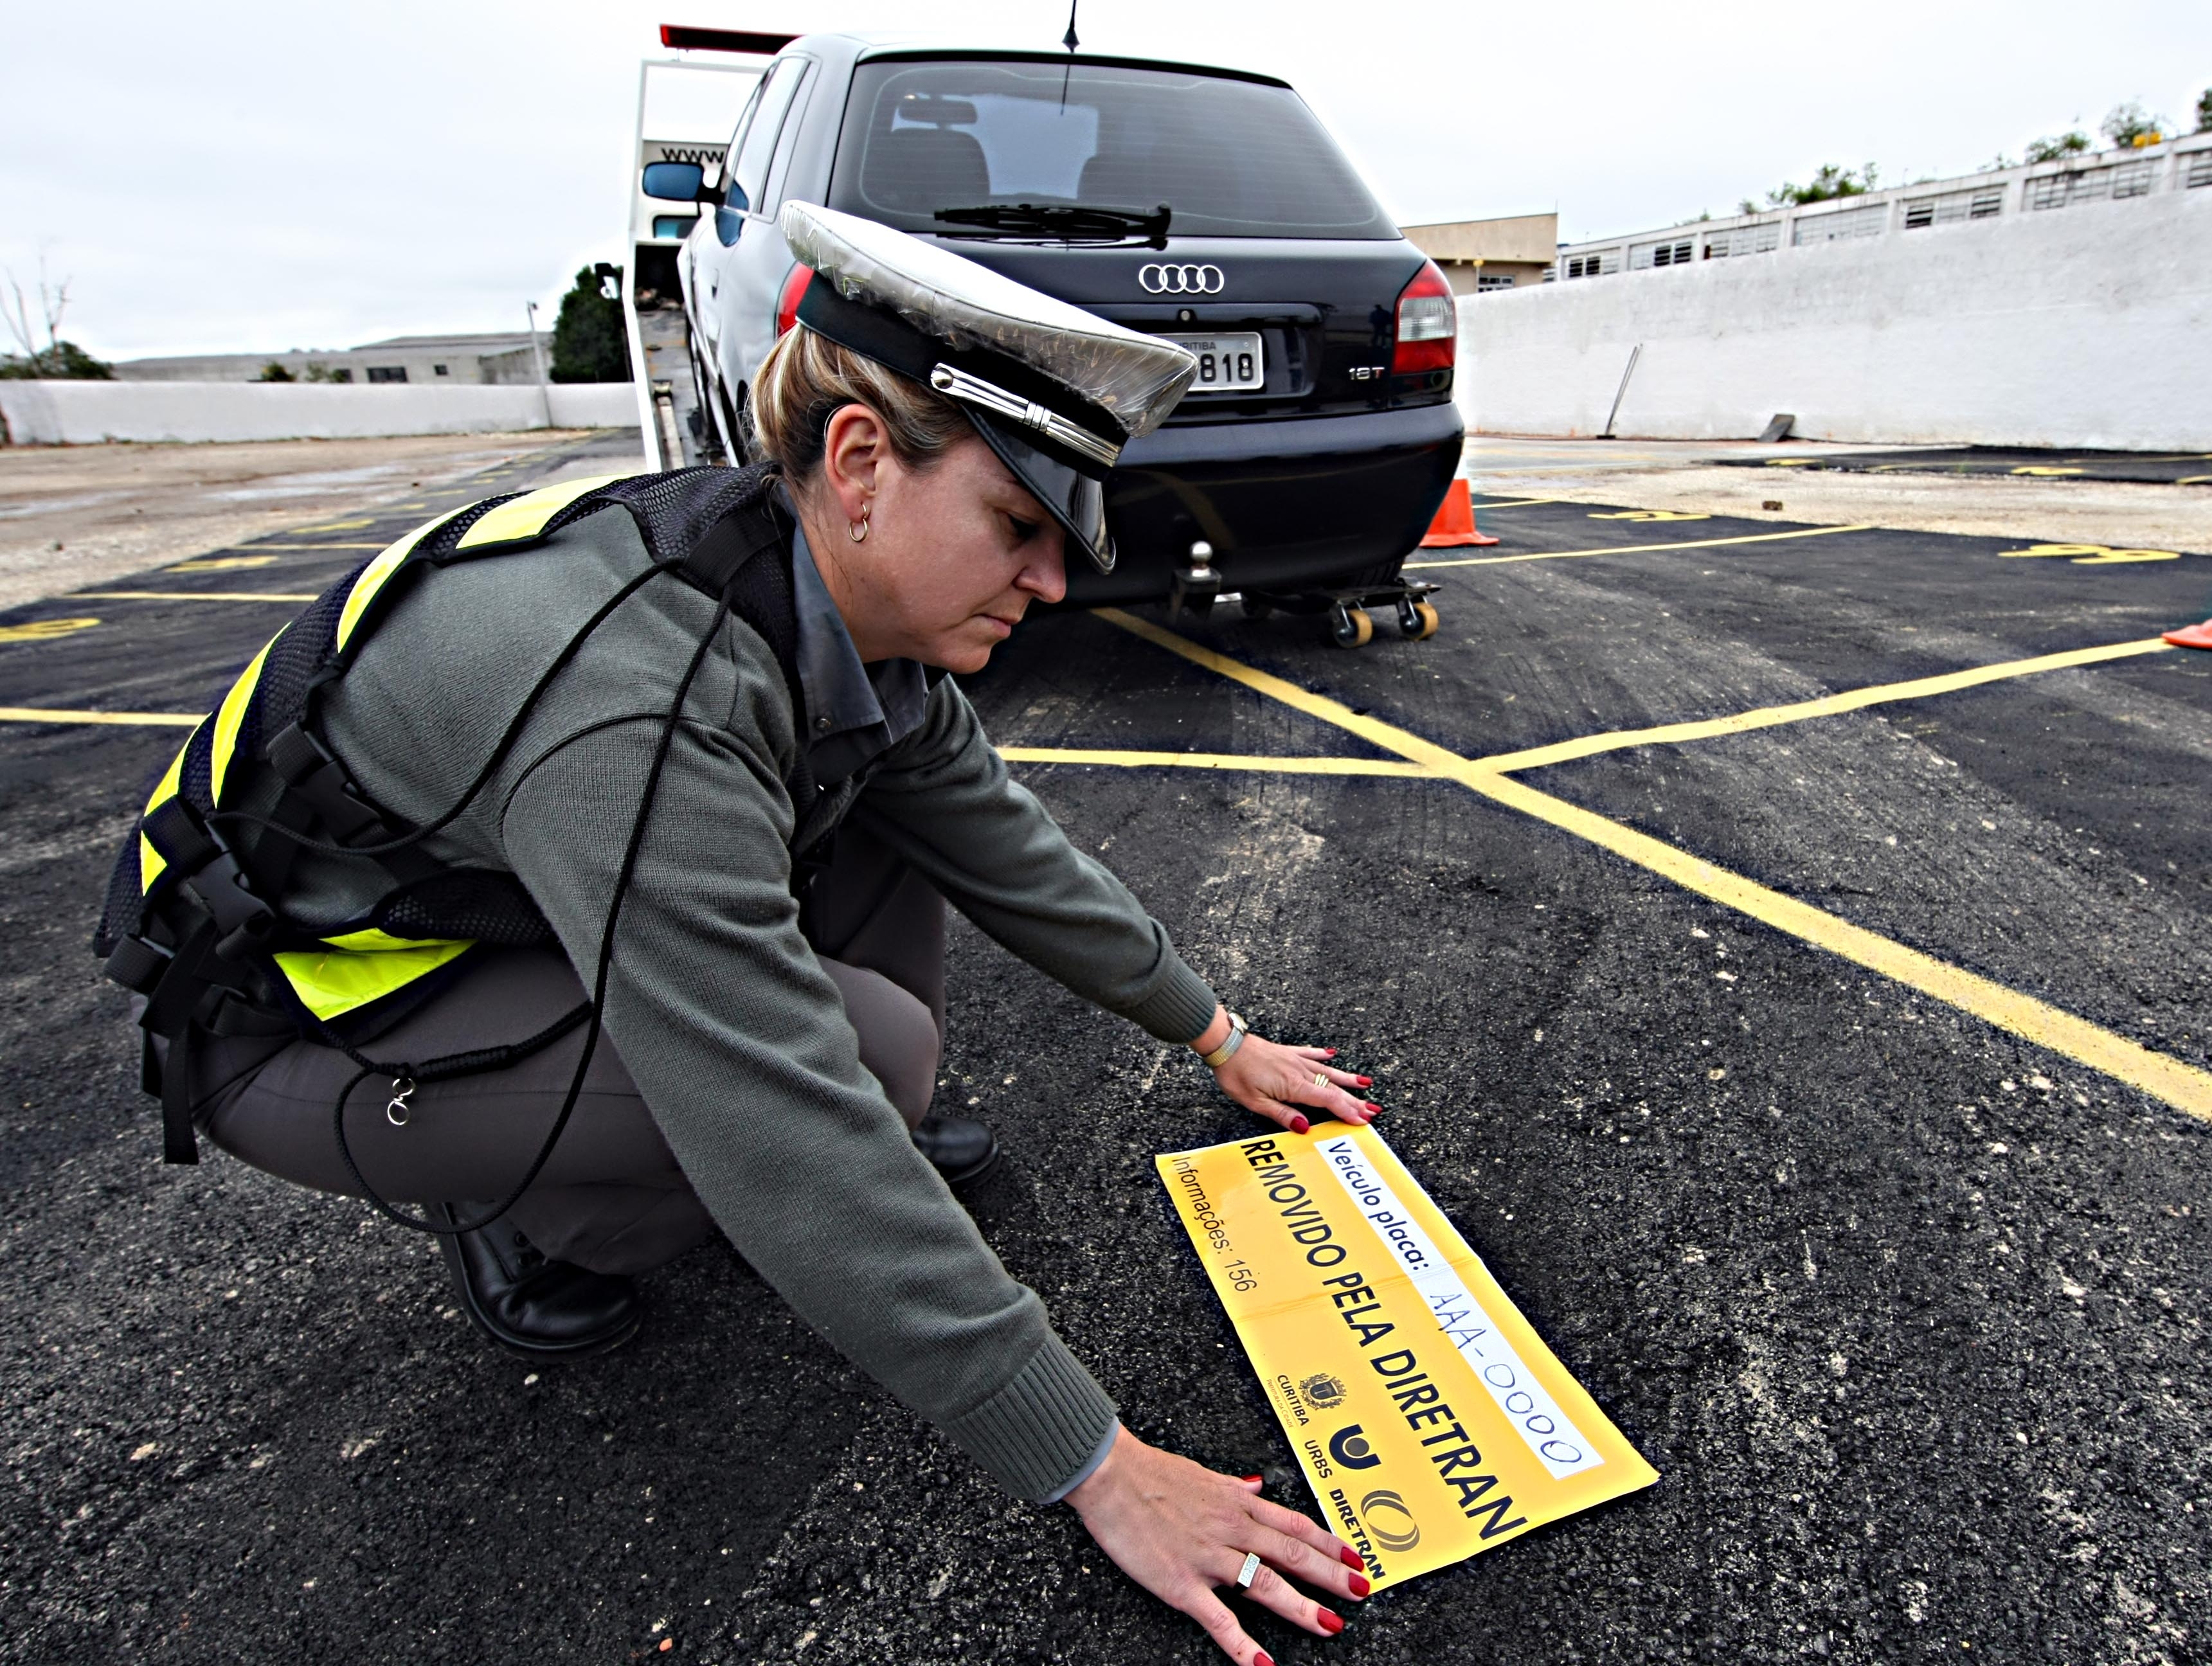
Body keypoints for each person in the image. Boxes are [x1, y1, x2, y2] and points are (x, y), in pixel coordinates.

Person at [95, 203, 1381, 1662]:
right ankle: (516, 1210)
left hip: (482, 908)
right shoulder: (645, 695)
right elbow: (773, 1115)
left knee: (886, 866)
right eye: (1018, 527)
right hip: (289, 1020)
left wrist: (1219, 1037)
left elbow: (1011, 851)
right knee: (852, 1077)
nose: (1054, 583)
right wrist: (1097, 1461)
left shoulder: (818, 605)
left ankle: (651, 1124)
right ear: (857, 469)